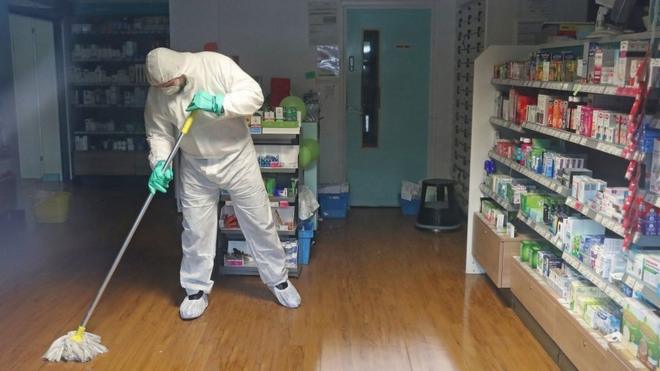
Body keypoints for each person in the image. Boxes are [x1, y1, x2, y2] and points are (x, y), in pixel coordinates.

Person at [144, 47, 301, 320]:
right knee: (195, 229)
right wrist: (160, 162)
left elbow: (254, 95)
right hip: (195, 163)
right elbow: (158, 131)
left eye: (169, 85)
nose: (165, 90)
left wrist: (219, 104)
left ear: (181, 72)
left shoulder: (214, 64)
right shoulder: (158, 92)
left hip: (236, 157)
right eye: (160, 87)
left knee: (258, 221)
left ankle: (279, 280)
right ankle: (195, 290)